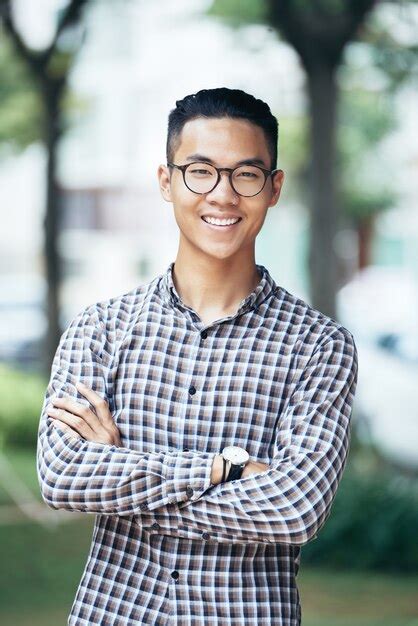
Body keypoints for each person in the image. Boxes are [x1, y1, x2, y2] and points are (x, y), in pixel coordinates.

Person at [37, 87, 358, 626]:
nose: (223, 194)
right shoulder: (100, 330)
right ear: (167, 181)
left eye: (246, 174)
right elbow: (63, 476)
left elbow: (294, 509)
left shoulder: (319, 346)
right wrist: (223, 469)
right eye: (200, 170)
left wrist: (120, 474)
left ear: (273, 188)